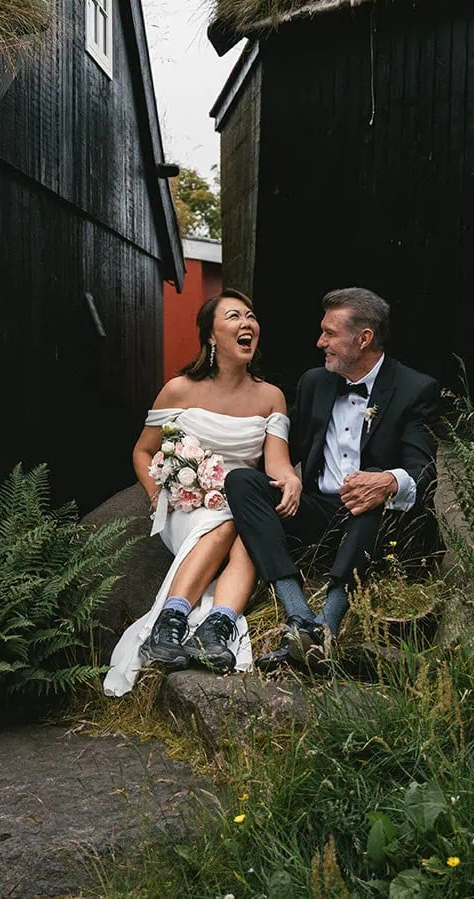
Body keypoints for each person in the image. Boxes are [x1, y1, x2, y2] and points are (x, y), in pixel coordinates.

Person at [224, 287, 437, 668]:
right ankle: (299, 615)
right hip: (320, 514)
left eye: (330, 333)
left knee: (372, 483)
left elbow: (423, 471)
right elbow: (281, 452)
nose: (320, 342)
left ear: (364, 338)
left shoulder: (414, 388)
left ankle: (327, 627)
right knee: (241, 481)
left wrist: (388, 482)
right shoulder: (314, 382)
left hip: (378, 525)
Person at [103, 290, 298, 697]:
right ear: (211, 335)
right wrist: (157, 496)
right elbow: (142, 451)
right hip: (187, 505)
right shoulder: (179, 390)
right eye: (234, 316)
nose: (247, 323)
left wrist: (290, 480)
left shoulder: (271, 397)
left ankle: (216, 627)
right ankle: (168, 624)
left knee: (247, 529)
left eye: (251, 316)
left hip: (239, 500)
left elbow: (276, 464)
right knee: (230, 525)